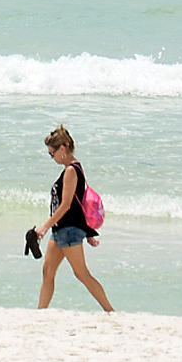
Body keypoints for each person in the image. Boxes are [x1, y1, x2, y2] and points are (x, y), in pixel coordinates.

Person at [32, 125, 113, 312]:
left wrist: (43, 228)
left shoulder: (71, 171)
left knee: (82, 274)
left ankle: (110, 311)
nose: (51, 157)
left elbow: (66, 205)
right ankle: (40, 313)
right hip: (62, 229)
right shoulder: (73, 169)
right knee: (48, 271)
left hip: (68, 230)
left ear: (63, 148)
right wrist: (87, 232)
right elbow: (79, 205)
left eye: (52, 153)